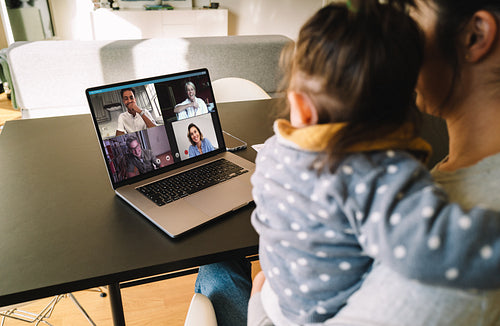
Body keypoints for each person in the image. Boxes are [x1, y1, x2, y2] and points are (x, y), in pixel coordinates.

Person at [196, 1, 500, 325]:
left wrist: (260, 304)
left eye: (410, 12)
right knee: (218, 267)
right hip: (287, 302)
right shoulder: (384, 175)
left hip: (283, 306)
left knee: (215, 266)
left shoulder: (274, 151)